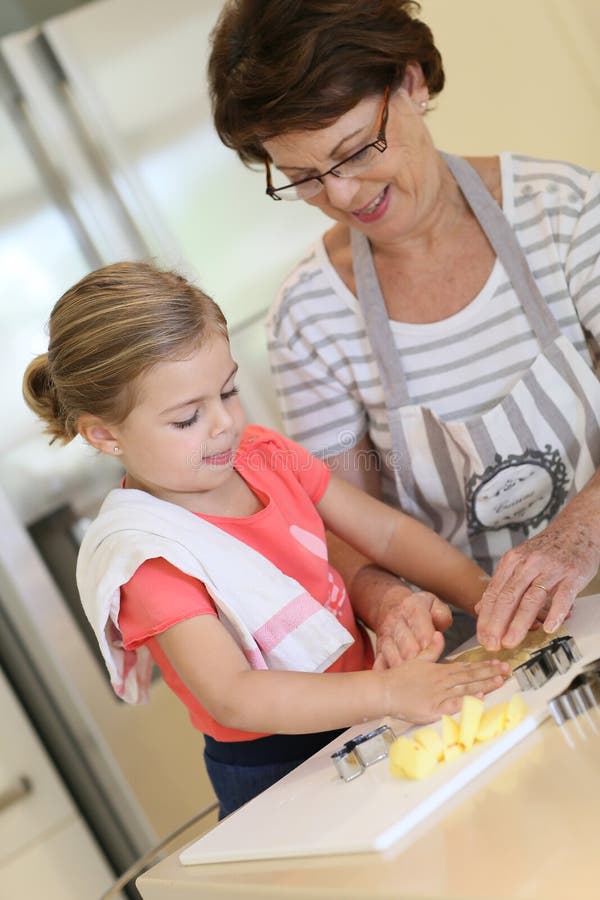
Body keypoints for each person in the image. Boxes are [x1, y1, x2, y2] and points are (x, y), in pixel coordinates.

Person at [22, 261, 507, 817]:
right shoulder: (147, 555)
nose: (224, 423)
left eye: (227, 391)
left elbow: (387, 533)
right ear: (104, 434)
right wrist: (393, 692)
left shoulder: (263, 453)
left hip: (375, 704)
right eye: (186, 419)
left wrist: (484, 595)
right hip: (279, 768)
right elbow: (234, 696)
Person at [208, 0, 600, 656]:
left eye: (356, 151)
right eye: (304, 178)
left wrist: (578, 536)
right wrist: (387, 601)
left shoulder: (562, 211)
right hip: (492, 639)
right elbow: (346, 524)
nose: (342, 195)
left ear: (412, 83)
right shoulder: (310, 320)